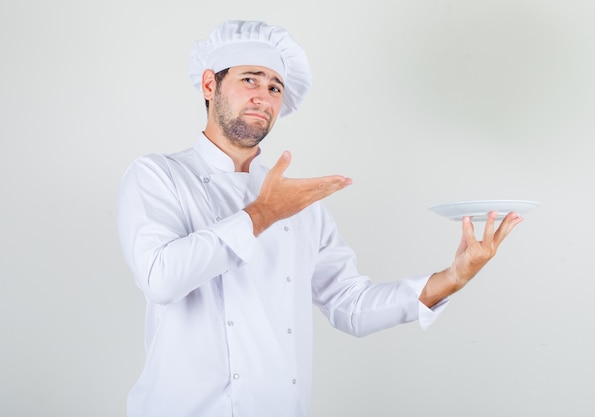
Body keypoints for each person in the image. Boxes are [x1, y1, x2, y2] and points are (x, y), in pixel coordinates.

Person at [117, 19, 523, 417]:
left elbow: (350, 304)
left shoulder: (300, 203)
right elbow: (161, 278)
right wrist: (262, 213)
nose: (264, 96)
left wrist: (452, 278)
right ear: (210, 85)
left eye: (275, 87)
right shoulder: (158, 175)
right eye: (250, 80)